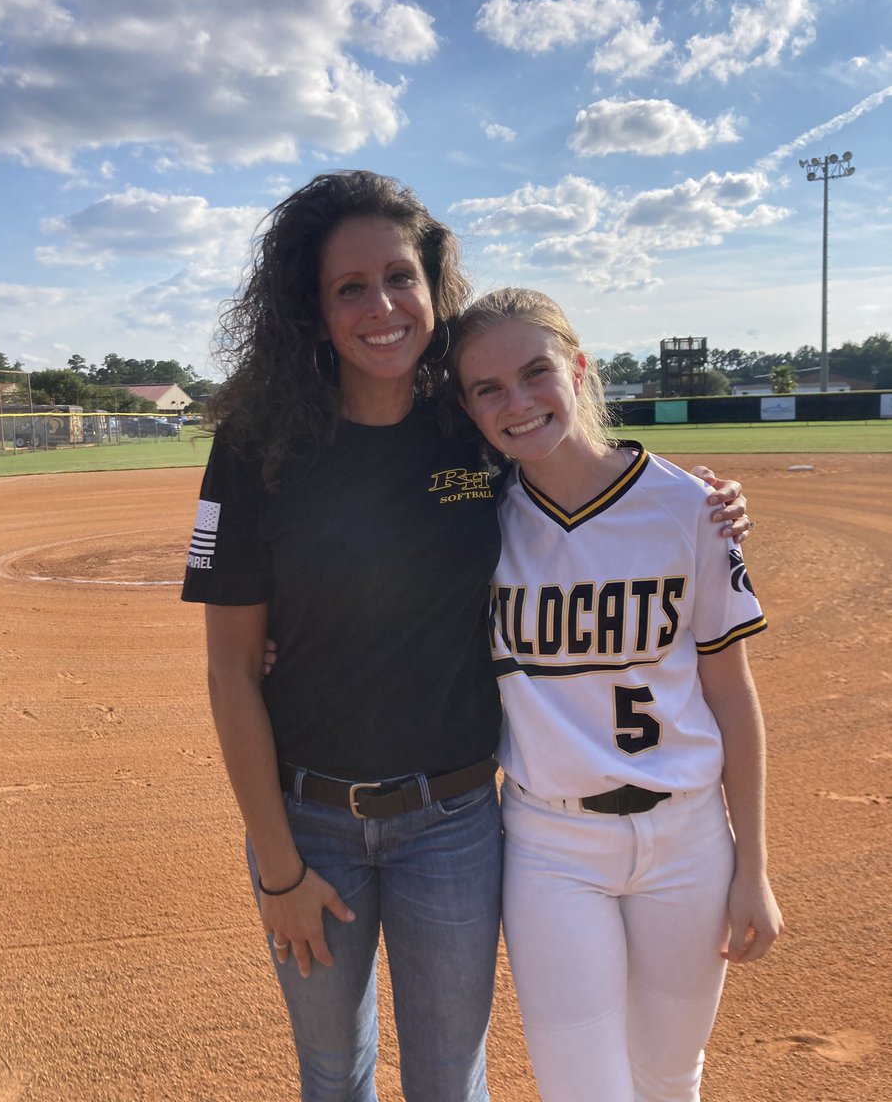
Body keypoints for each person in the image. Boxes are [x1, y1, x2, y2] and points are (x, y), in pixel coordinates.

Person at [181, 170, 753, 1102]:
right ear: (312, 308)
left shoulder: (469, 423)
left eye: (399, 277)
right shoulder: (258, 445)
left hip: (451, 823)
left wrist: (705, 501)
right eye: (349, 288)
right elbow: (230, 671)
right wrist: (279, 870)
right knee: (333, 1073)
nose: (381, 307)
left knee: (450, 1079)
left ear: (432, 285)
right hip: (309, 821)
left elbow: (575, 462)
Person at [448, 287, 783, 1102]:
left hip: (689, 838)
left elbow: (732, 694)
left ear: (578, 369)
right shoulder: (472, 525)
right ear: (467, 408)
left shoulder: (690, 507)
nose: (517, 402)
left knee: (670, 1077)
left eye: (535, 372)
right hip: (552, 845)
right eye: (488, 388)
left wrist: (754, 867)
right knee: (582, 1090)